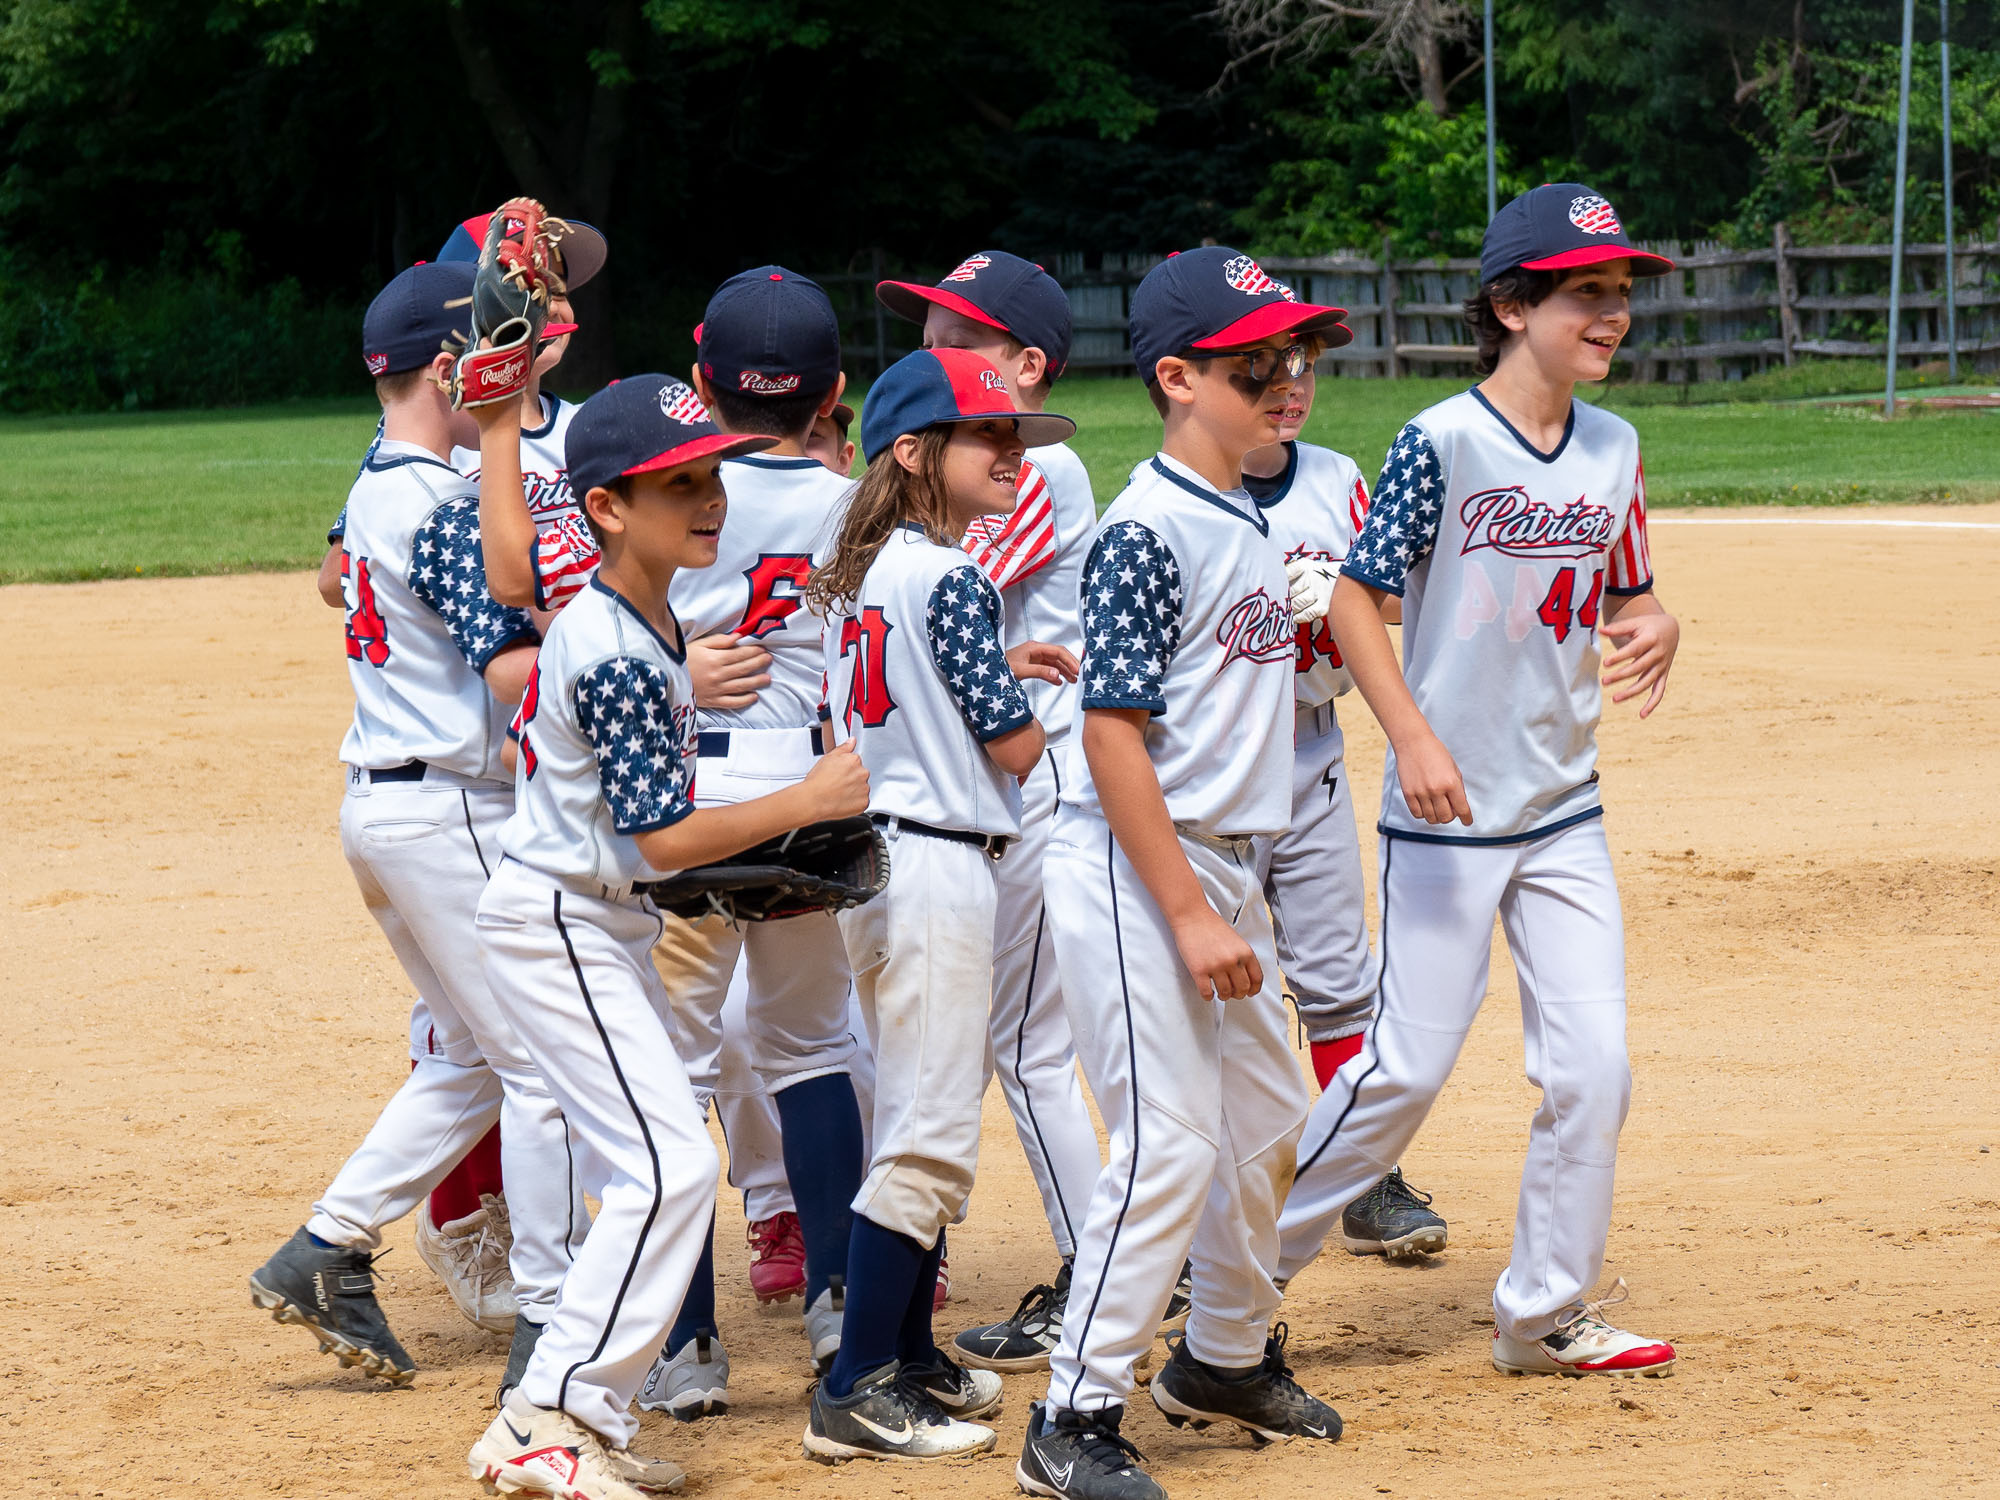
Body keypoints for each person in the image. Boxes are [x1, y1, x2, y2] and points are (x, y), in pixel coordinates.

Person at [1272, 184, 1682, 1380]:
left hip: (1561, 804)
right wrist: (1407, 735)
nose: (1609, 316)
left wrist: (1658, 625)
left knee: (1591, 1067)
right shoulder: (1439, 439)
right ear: (1510, 305)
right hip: (1446, 812)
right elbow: (1354, 593)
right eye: (1583, 294)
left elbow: (1630, 591)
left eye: (1618, 295)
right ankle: (1234, 1268)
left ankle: (1543, 1312)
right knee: (1401, 1067)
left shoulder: (1613, 447)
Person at [466, 374, 871, 1499]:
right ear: (606, 506)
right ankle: (551, 1415)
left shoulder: (644, 616)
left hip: (589, 920)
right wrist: (808, 802)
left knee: (659, 1163)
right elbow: (659, 843)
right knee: (666, 1163)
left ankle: (568, 1410)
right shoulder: (614, 643)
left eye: (712, 476)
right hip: (565, 924)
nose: (710, 500)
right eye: (677, 484)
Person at [1016, 248, 1347, 1500]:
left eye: (1294, 356)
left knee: (1265, 1126)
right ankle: (1070, 1418)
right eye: (1253, 362)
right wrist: (1183, 913)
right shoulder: (1150, 525)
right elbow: (1110, 740)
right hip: (1138, 872)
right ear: (1175, 377)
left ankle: (1217, 1359)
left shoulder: (1249, 514)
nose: (1285, 378)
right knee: (1164, 1143)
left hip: (1228, 865)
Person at [248, 261, 581, 1395]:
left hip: (389, 812)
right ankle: (553, 1318)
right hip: (455, 813)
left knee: (470, 1058)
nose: (519, 364)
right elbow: (513, 671)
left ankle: (327, 1248)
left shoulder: (383, 483)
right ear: (451, 368)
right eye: (498, 351)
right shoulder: (441, 507)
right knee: (540, 1062)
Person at [800, 348, 1078, 1463]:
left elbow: (897, 697)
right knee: (925, 1135)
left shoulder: (868, 575)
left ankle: (908, 1354)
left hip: (886, 865)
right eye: (987, 436)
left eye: (1013, 437)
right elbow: (1011, 745)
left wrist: (994, 662)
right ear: (912, 452)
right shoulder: (949, 577)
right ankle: (858, 1382)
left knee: (922, 1113)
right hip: (936, 871)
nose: (1011, 453)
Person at [874, 252, 1115, 1373]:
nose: (927, 351)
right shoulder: (979, 452)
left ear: (1024, 366)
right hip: (988, 771)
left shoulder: (1036, 474)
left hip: (1028, 780)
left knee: (1024, 1044)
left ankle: (1093, 1281)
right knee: (985, 1046)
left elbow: (920, 555)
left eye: (952, 339)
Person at [637, 267, 868, 1416]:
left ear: (697, 384)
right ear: (832, 394)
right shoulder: (859, 504)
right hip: (808, 795)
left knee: (672, 1070)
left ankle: (682, 1350)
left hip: (684, 809)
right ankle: (837, 1304)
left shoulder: (668, 490)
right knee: (813, 1046)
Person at [1240, 341, 1451, 1264]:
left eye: (1306, 374)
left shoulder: (1334, 478)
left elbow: (1410, 593)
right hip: (1218, 775)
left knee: (1338, 975)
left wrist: (1347, 595)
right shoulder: (1176, 491)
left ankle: (1362, 1177)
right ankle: (1230, 1188)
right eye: (1268, 375)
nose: (1293, 391)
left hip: (1312, 751)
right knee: (1221, 992)